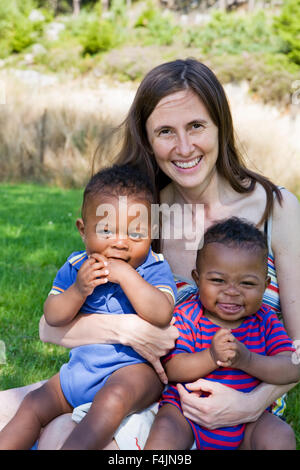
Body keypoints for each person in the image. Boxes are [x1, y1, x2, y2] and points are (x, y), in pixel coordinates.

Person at [1, 58, 300, 450]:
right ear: (147, 138)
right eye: (165, 131)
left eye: (196, 126)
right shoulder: (138, 215)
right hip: (150, 391)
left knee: (63, 435)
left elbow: (297, 344)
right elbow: (48, 328)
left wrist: (249, 404)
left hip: (235, 401)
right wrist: (127, 331)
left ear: (220, 127)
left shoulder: (276, 208)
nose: (184, 147)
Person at [0, 164, 176, 450]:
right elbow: (53, 315)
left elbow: (161, 312)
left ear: (151, 234)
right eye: (107, 230)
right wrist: (78, 290)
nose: (120, 243)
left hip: (134, 373)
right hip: (81, 370)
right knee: (33, 404)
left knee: (113, 398)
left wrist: (126, 275)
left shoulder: (153, 267)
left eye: (135, 234)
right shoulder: (76, 266)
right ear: (83, 230)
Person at [144, 217, 299, 450]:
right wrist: (211, 356)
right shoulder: (187, 314)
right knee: (165, 429)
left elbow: (291, 367)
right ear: (197, 279)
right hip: (187, 416)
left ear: (265, 285)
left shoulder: (265, 320)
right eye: (218, 280)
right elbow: (173, 368)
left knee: (279, 435)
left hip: (249, 422)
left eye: (247, 284)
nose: (232, 292)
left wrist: (247, 360)